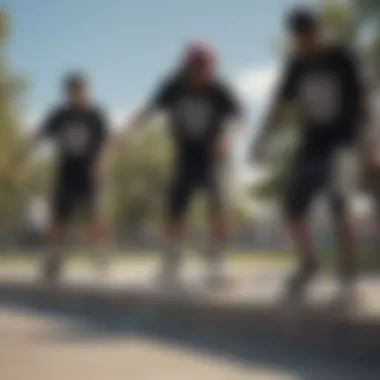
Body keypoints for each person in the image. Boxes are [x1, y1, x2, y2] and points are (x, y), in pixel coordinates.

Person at [251, 9, 365, 295]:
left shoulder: (341, 58)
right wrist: (262, 139)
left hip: (345, 141)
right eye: (299, 38)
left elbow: (363, 99)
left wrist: (372, 143)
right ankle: (309, 264)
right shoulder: (296, 66)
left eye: (308, 36)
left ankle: (348, 272)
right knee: (292, 208)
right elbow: (278, 105)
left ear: (317, 32)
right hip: (312, 143)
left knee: (341, 203)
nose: (304, 43)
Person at [120, 41, 244, 286]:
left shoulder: (219, 89)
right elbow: (149, 109)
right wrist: (128, 129)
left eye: (206, 70)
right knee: (175, 209)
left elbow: (239, 117)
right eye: (197, 69)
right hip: (185, 157)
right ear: (187, 66)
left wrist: (227, 138)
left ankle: (218, 261)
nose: (201, 76)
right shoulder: (172, 86)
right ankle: (173, 260)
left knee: (218, 205)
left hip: (213, 158)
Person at [13, 73, 109, 282]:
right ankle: (54, 260)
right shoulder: (59, 115)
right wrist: (23, 152)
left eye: (80, 90)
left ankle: (99, 257)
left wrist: (100, 165)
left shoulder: (94, 115)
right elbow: (40, 134)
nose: (77, 94)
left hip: (87, 173)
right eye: (73, 91)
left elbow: (103, 143)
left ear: (86, 91)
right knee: (58, 220)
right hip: (66, 172)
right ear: (67, 93)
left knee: (94, 215)